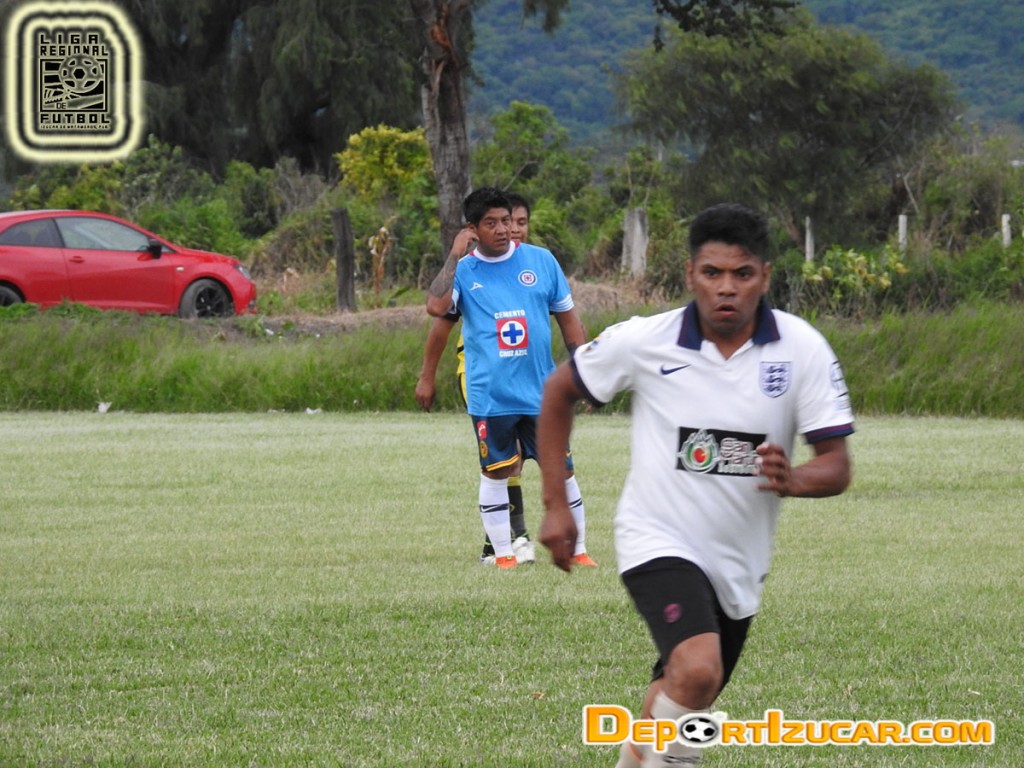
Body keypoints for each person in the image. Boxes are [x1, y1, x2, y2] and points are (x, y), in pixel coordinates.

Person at [536, 203, 853, 765]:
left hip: (739, 561)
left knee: (683, 690)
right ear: (690, 274)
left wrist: (794, 478)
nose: (726, 288)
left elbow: (836, 465)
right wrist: (555, 505)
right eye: (712, 273)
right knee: (699, 670)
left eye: (742, 273)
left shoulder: (802, 348)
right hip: (656, 537)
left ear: (765, 277)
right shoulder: (645, 340)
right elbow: (559, 391)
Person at [426, 186, 597, 570]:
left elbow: (569, 321)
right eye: (491, 223)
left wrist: (586, 371)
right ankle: (503, 554)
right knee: (498, 472)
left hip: (542, 393)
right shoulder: (464, 270)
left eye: (506, 220)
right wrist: (455, 253)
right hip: (491, 394)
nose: (503, 229)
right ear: (472, 229)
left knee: (563, 470)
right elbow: (435, 307)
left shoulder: (541, 261)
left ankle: (580, 550)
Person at [415, 192, 535, 564]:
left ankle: (499, 543)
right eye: (504, 222)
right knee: (508, 458)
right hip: (481, 377)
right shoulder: (471, 271)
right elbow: (440, 325)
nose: (513, 230)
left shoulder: (534, 267)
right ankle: (512, 540)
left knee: (517, 459)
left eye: (519, 222)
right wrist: (427, 377)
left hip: (525, 380)